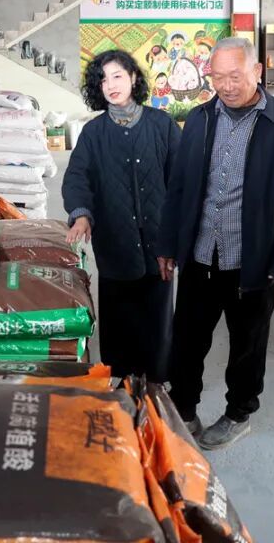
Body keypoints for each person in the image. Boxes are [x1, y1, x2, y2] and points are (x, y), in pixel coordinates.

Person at [157, 37, 274, 450]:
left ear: (257, 71)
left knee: (248, 344)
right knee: (187, 340)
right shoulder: (199, 119)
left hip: (253, 259)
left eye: (235, 76)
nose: (226, 86)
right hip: (201, 252)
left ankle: (238, 413)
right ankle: (184, 408)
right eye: (218, 77)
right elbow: (179, 189)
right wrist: (168, 244)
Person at [62, 49, 182, 382]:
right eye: (102, 80)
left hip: (158, 242)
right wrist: (82, 215)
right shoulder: (94, 133)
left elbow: (181, 182)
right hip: (115, 240)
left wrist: (175, 238)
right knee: (119, 315)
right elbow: (77, 177)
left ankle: (156, 383)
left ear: (133, 77)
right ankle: (122, 380)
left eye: (117, 76)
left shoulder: (161, 125)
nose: (111, 85)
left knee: (157, 317)